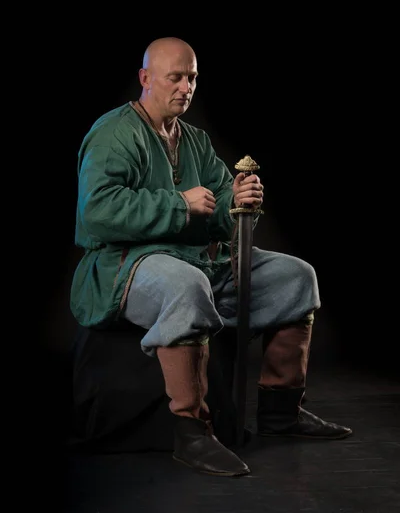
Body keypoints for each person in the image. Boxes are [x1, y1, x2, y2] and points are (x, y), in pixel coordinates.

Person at [70, 36, 353, 477]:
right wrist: (179, 204)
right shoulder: (113, 134)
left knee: (295, 276)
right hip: (127, 267)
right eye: (175, 77)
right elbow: (98, 213)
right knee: (185, 286)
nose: (185, 87)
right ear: (146, 79)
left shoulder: (195, 140)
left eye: (192, 78)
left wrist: (240, 203)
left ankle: (281, 412)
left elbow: (220, 213)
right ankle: (192, 433)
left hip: (200, 259)